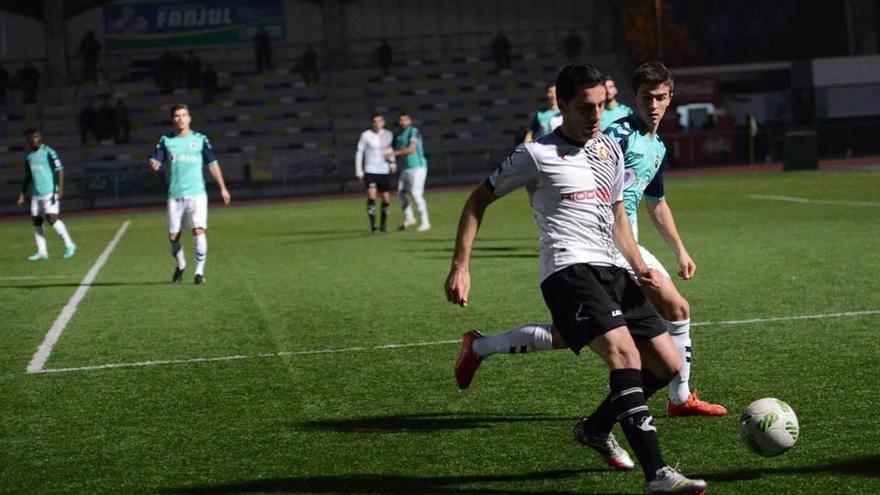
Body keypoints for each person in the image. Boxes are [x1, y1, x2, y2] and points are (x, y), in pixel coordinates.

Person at [445, 64, 706, 495]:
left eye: (600, 106)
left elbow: (618, 212)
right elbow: (478, 200)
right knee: (626, 355)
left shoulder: (609, 150)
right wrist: (460, 264)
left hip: (613, 268)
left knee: (667, 364)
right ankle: (657, 475)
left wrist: (638, 263)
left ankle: (595, 428)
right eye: (585, 108)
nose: (595, 117)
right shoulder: (535, 155)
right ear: (562, 105)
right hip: (567, 269)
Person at [149, 104, 231, 284]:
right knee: (173, 237)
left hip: (197, 194)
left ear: (189, 118)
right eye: (177, 116)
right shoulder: (166, 140)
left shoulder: (200, 139)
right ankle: (181, 264)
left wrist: (222, 187)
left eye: (184, 115)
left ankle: (199, 273)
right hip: (175, 195)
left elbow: (213, 164)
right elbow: (156, 159)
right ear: (173, 119)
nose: (181, 118)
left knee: (198, 229)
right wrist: (154, 164)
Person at [16, 129, 76, 261]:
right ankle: (42, 252)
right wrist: (22, 194)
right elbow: (28, 177)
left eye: (36, 137)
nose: (33, 139)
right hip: (36, 194)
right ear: (28, 140)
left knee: (51, 218)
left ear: (40, 138)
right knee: (37, 221)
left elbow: (59, 170)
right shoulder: (29, 157)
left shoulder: (49, 152)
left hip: (50, 191)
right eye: (31, 138)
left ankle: (69, 244)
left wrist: (60, 189)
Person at [386, 113, 430, 231]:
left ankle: (425, 222)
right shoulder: (399, 135)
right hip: (407, 167)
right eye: (400, 120)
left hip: (418, 166)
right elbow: (391, 147)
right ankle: (409, 218)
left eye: (405, 120)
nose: (402, 122)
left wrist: (395, 153)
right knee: (401, 193)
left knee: (416, 193)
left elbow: (412, 148)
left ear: (409, 121)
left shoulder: (413, 131)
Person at [355, 113, 395, 233]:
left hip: (383, 169)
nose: (377, 124)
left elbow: (389, 149)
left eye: (379, 121)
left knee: (386, 198)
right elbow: (359, 151)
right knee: (371, 195)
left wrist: (392, 162)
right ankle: (373, 225)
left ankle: (383, 223)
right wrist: (359, 170)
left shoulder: (388, 134)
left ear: (383, 122)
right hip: (370, 169)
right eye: (374, 121)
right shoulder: (366, 135)